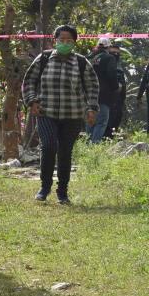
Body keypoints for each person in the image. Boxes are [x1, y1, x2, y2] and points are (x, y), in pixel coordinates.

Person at [22, 25, 100, 204]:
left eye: (69, 40)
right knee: (48, 147)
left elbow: (92, 86)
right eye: (61, 40)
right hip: (45, 112)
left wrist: (91, 108)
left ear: (74, 43)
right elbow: (29, 81)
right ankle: (44, 187)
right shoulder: (44, 59)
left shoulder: (81, 62)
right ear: (54, 41)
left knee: (65, 151)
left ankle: (62, 192)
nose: (64, 43)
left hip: (72, 114)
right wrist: (32, 101)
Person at [85, 37, 119, 142]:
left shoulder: (89, 58)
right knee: (101, 121)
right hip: (103, 95)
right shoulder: (109, 58)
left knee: (90, 120)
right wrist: (116, 88)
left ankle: (87, 143)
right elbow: (112, 75)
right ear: (108, 47)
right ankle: (94, 146)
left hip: (88, 94)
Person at [105, 41, 127, 137]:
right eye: (113, 53)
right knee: (108, 118)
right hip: (109, 96)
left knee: (117, 116)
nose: (116, 55)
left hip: (119, 98)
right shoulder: (105, 63)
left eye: (117, 53)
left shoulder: (119, 65)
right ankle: (106, 136)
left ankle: (112, 135)